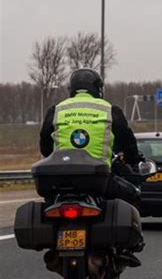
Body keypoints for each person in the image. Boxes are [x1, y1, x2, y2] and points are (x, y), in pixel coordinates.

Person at [39, 68, 144, 266]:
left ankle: (55, 244)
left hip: (60, 180)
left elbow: (45, 145)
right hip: (99, 180)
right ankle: (129, 248)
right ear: (98, 89)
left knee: (50, 205)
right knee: (133, 194)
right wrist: (132, 160)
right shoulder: (110, 110)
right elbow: (128, 141)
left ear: (71, 89)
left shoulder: (57, 110)